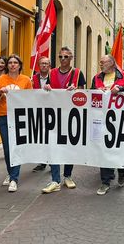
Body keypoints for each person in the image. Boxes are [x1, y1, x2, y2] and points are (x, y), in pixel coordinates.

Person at [41, 47, 86, 193]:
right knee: (54, 146)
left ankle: (67, 175)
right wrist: (47, 87)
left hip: (71, 114)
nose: (63, 59)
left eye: (66, 57)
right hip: (54, 114)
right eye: (60, 56)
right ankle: (55, 179)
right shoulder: (52, 72)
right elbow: (48, 88)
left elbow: (83, 93)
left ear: (71, 58)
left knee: (69, 146)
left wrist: (76, 90)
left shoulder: (78, 73)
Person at [0, 54, 33, 192]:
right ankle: (11, 173)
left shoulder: (26, 80)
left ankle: (14, 178)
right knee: (8, 149)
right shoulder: (0, 79)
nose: (13, 65)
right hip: (3, 117)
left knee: (17, 148)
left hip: (19, 118)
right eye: (10, 63)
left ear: (20, 65)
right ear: (7, 65)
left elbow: (31, 100)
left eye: (15, 62)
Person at [91, 55, 124, 195]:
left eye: (103, 62)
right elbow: (91, 94)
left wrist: (120, 89)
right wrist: (98, 92)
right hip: (102, 119)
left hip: (120, 119)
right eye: (100, 61)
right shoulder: (96, 78)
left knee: (118, 149)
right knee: (104, 150)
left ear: (112, 63)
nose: (100, 63)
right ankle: (105, 182)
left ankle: (121, 171)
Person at [31, 56, 51, 172]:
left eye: (46, 63)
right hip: (37, 111)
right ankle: (42, 162)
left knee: (51, 138)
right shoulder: (33, 78)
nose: (44, 65)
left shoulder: (54, 78)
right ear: (38, 66)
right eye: (42, 64)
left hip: (51, 111)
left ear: (49, 66)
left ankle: (53, 162)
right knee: (41, 138)